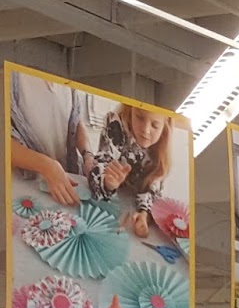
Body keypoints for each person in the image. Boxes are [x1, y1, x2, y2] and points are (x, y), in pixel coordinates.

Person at [84, 98, 173, 237]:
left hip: (130, 209)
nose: (146, 130)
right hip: (104, 204)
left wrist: (144, 213)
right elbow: (101, 162)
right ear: (130, 110)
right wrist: (107, 182)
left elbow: (153, 187)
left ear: (164, 128)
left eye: (155, 125)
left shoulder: (160, 148)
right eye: (139, 117)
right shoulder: (115, 124)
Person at [7, 69, 87, 208]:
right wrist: (46, 166)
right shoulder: (13, 74)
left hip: (62, 185)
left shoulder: (69, 75)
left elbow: (77, 121)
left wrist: (88, 155)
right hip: (22, 190)